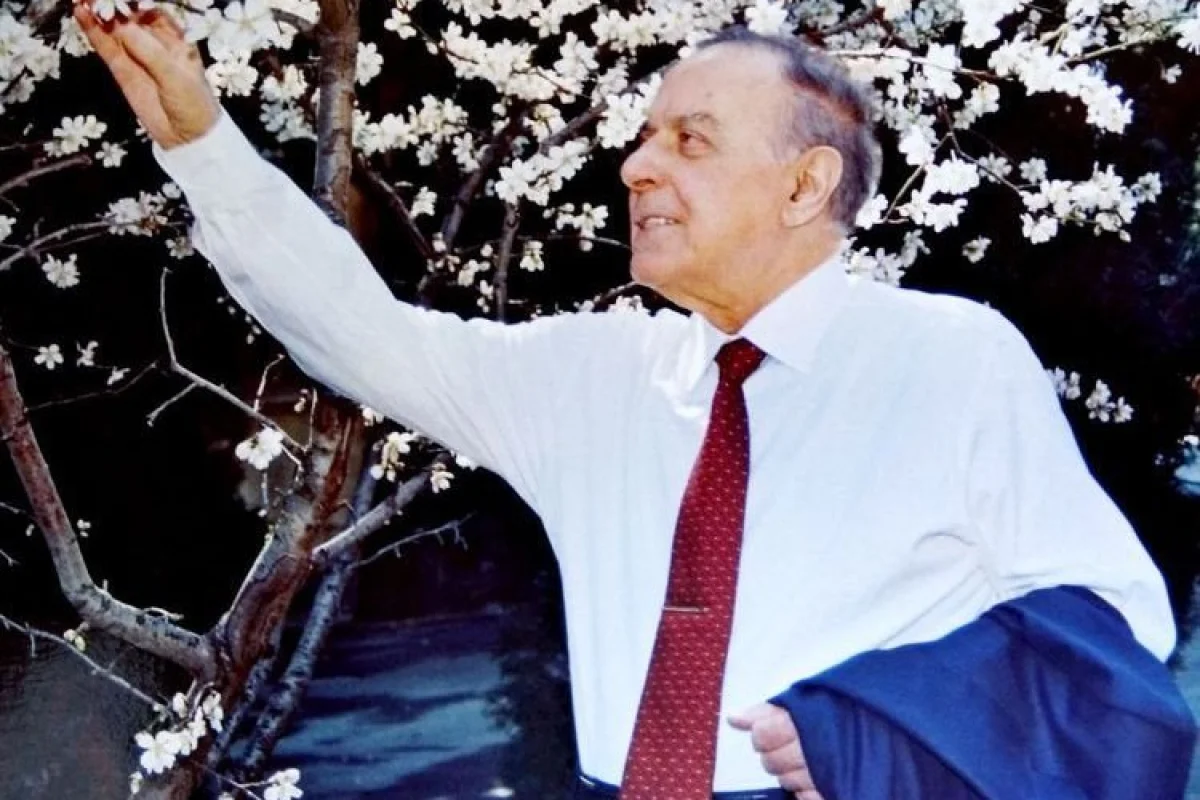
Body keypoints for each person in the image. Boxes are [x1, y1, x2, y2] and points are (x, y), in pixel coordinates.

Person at [76, 6, 1194, 799]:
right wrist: (198, 140)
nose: (635, 168)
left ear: (805, 184)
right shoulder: (597, 376)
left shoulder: (951, 360)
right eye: (644, 136)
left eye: (689, 141)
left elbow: (1110, 628)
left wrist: (873, 726)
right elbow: (361, 333)